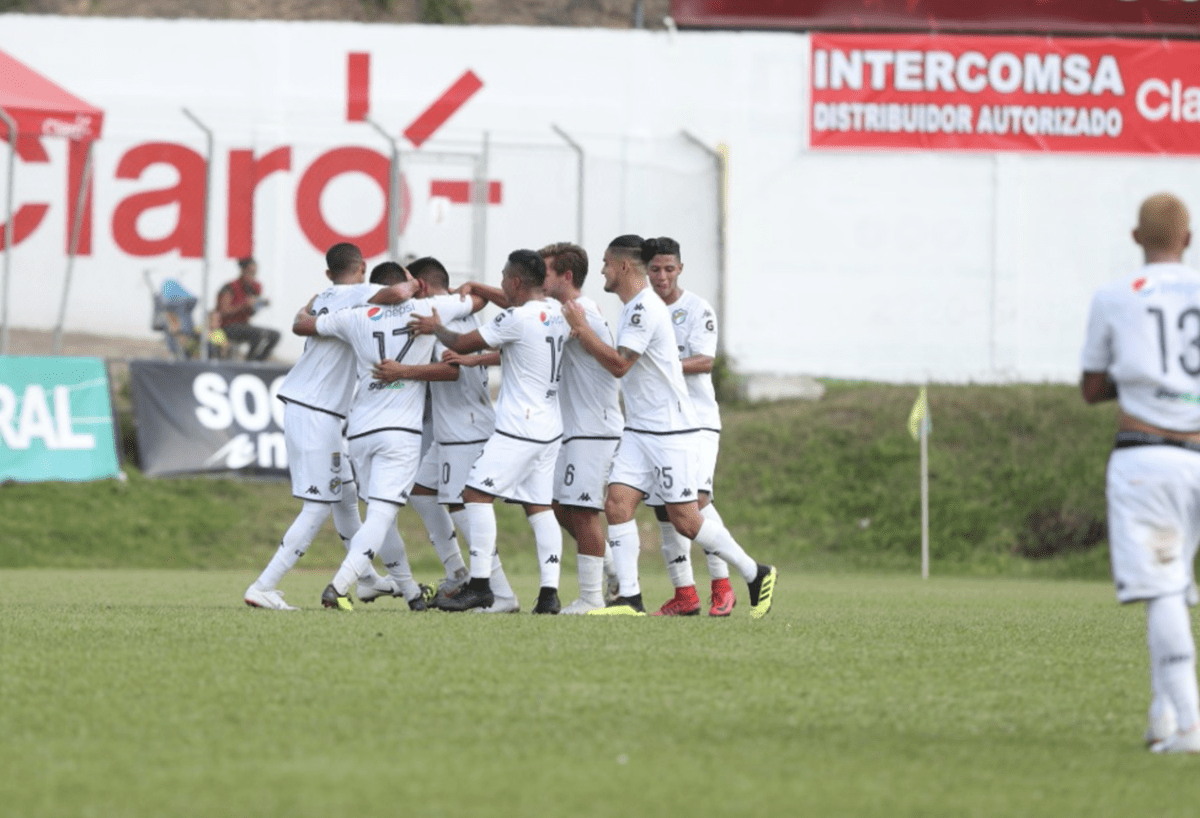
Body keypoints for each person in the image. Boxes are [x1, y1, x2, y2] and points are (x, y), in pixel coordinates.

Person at [562, 234, 776, 618]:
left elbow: (619, 364)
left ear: (624, 266)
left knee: (686, 519)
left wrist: (583, 329)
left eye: (607, 264)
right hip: (640, 430)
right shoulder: (633, 307)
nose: (603, 271)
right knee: (616, 504)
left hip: (671, 432)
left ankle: (754, 571)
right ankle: (630, 598)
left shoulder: (644, 308)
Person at [1081, 193, 1200, 754]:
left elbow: (1091, 387)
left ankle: (1191, 725)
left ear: (1135, 238)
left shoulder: (1114, 296)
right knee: (1175, 584)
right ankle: (1162, 719)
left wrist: (1137, 383)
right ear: (1189, 239)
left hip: (1145, 458)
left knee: (1164, 591)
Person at [292, 263, 478, 611]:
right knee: (381, 515)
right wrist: (461, 292)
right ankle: (339, 585)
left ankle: (409, 591)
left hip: (360, 430)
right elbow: (477, 302)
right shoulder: (426, 310)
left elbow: (303, 325)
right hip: (400, 432)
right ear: (410, 284)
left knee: (379, 516)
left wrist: (307, 307)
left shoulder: (356, 315)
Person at [243, 244, 417, 610]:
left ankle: (368, 579)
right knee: (318, 505)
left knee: (345, 494)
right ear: (363, 269)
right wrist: (414, 283)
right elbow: (400, 292)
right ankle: (263, 585)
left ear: (328, 273)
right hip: (315, 409)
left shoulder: (323, 296)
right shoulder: (359, 292)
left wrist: (304, 309)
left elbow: (298, 321)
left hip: (311, 405)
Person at [410, 249, 568, 613]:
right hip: (549, 425)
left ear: (514, 281)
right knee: (540, 508)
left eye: (502, 278)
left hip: (519, 426)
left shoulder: (516, 318)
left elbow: (462, 342)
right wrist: (477, 358)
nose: (500, 285)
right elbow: (517, 351)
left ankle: (481, 585)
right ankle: (549, 594)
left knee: (475, 495)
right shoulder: (557, 314)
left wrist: (437, 329)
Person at [372, 256, 522, 614]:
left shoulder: (435, 317)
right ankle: (457, 572)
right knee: (423, 492)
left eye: (410, 283)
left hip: (464, 428)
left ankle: (500, 593)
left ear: (421, 286)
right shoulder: (459, 312)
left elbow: (450, 369)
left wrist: (403, 371)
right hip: (452, 428)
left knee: (462, 505)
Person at [645, 237, 736, 617]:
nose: (662, 276)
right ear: (645, 271)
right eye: (655, 269)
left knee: (695, 502)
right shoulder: (642, 310)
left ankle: (723, 585)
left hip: (697, 422)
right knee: (666, 510)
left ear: (680, 268)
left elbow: (704, 361)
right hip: (658, 423)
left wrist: (659, 365)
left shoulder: (697, 309)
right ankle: (685, 594)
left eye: (669, 269)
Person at [539, 242, 624, 614]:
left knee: (583, 511)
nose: (537, 280)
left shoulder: (579, 311)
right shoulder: (564, 312)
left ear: (566, 276)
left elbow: (616, 364)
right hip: (574, 431)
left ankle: (591, 599)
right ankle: (614, 570)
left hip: (595, 429)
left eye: (544, 273)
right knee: (560, 506)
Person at [213, 257, 281, 361]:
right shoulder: (230, 287)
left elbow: (251, 313)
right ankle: (249, 362)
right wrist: (243, 305)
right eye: (250, 272)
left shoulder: (255, 288)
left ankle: (258, 361)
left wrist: (259, 305)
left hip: (244, 325)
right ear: (243, 271)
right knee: (257, 335)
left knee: (274, 335)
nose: (252, 276)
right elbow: (223, 311)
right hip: (228, 326)